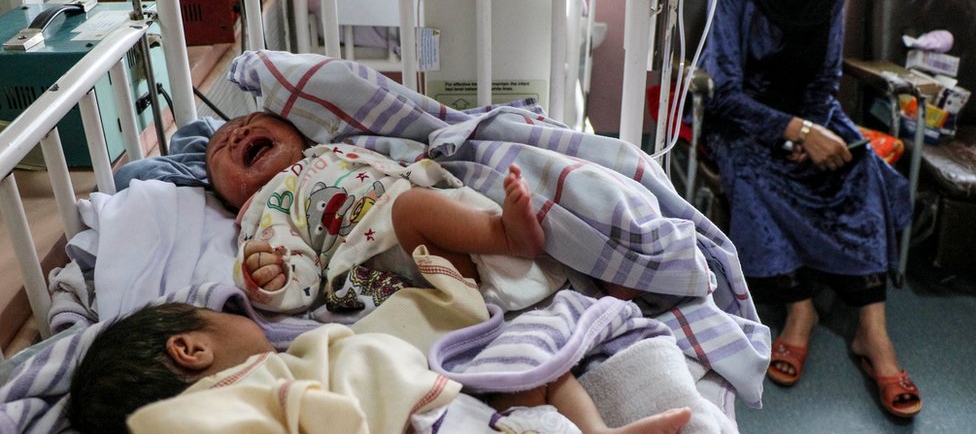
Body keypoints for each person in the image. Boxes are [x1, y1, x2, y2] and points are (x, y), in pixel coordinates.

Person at [698, 0, 920, 418]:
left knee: (858, 165)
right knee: (754, 174)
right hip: (743, 117)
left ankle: (873, 332)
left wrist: (817, 129)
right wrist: (793, 131)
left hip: (811, 110)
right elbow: (722, 91)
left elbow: (825, 76)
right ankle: (800, 310)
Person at [66, 301, 693, 434]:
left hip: (455, 413)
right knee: (537, 372)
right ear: (190, 349)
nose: (234, 312)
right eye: (216, 314)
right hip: (429, 421)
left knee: (534, 374)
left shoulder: (281, 366)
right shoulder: (241, 393)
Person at [205, 112, 567, 314]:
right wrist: (271, 277)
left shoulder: (331, 148)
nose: (238, 134)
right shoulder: (269, 206)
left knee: (429, 203)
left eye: (250, 121)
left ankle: (514, 240)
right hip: (392, 255)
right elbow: (294, 265)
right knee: (411, 209)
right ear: (230, 201)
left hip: (439, 219)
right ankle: (509, 237)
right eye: (222, 146)